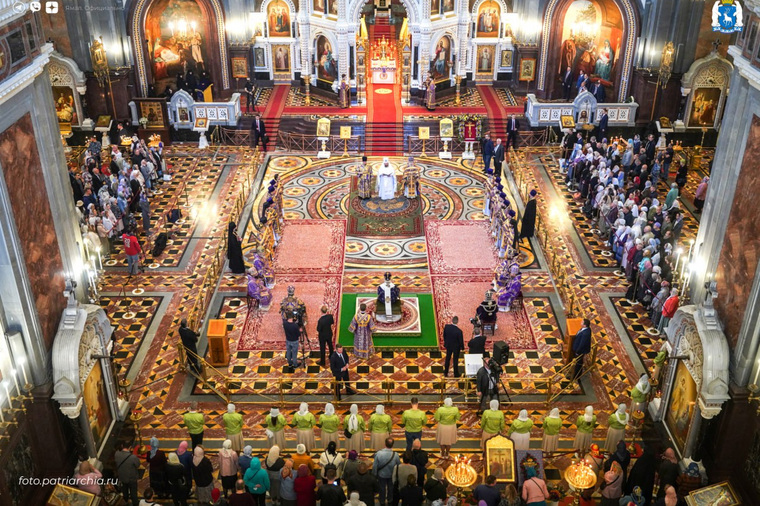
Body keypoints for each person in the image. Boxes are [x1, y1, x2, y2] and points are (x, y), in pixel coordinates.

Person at [373, 438, 400, 506]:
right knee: (391, 488)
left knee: (382, 489)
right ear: (392, 445)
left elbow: (375, 466)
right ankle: (390, 500)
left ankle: (382, 501)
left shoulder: (379, 453)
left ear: (385, 444)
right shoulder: (395, 455)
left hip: (381, 474)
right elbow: (398, 465)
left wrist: (374, 475)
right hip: (391, 475)